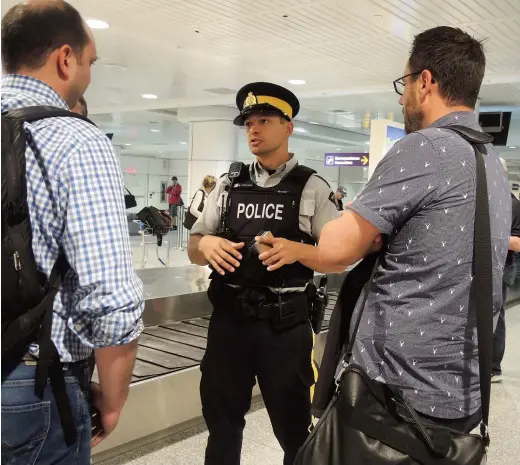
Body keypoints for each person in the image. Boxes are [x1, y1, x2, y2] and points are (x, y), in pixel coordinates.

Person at [316, 26, 510, 433]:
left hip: (397, 397)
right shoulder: (490, 160)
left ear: (425, 81)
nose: (402, 97)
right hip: (461, 394)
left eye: (404, 83)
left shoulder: (425, 147)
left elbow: (335, 250)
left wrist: (354, 216)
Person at [1, 2, 144, 464]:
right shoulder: (77, 140)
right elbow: (109, 296)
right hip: (33, 381)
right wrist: (115, 399)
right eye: (91, 61)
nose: (89, 72)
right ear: (66, 58)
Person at [188, 82, 340, 465]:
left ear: (288, 127)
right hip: (228, 326)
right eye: (248, 122)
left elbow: (340, 258)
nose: (253, 129)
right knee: (222, 425)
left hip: (284, 328)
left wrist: (299, 250)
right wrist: (204, 245)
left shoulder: (311, 188)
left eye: (264, 120)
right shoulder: (228, 184)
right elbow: (194, 247)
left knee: (293, 430)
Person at [492, 158, 520, 382]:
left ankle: (494, 367)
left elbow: (518, 243)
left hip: (504, 267)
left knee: (497, 314)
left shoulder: (514, 205)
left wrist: (489, 236)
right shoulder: (488, 202)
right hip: (485, 265)